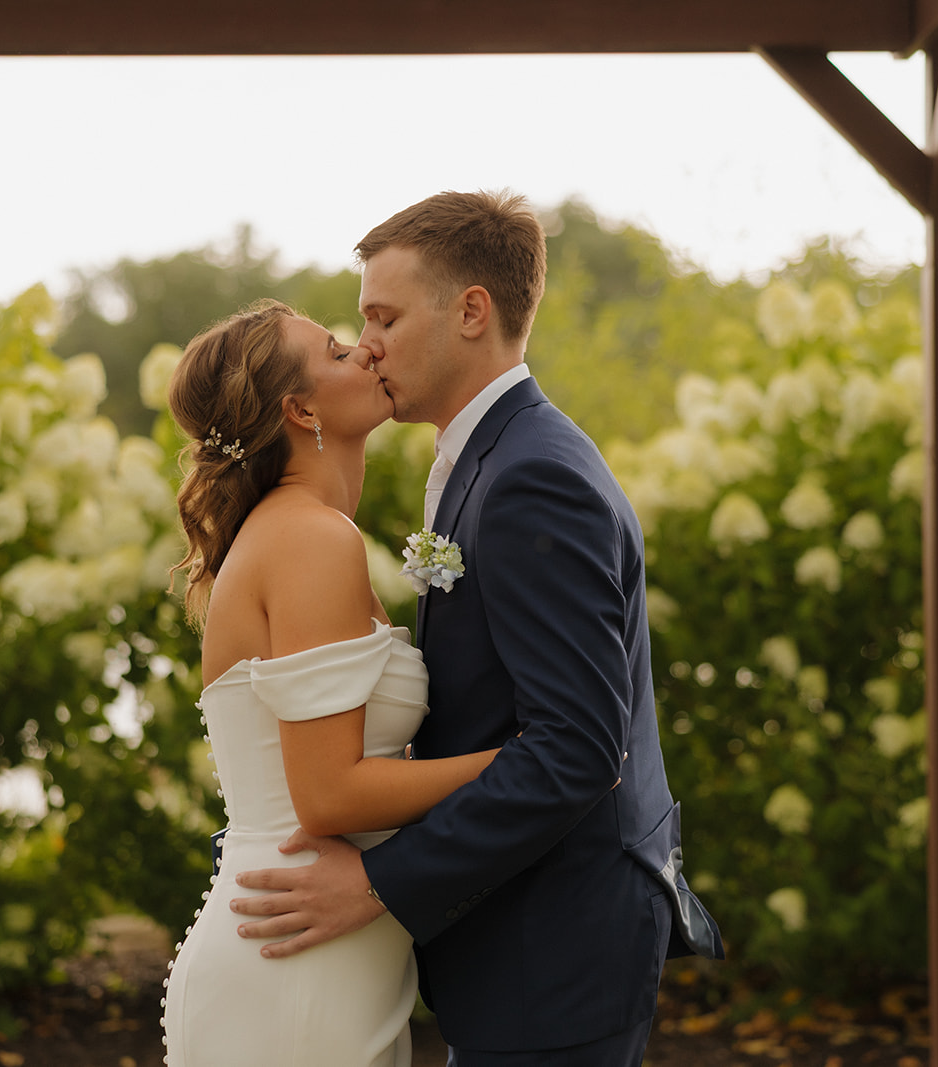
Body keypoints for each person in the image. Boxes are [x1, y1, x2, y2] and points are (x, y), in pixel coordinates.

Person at [229, 191, 723, 1066]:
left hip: (557, 939)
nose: (368, 342)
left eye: (383, 315)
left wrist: (381, 882)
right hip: (518, 929)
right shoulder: (488, 457)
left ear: (470, 311)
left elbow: (576, 750)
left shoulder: (534, 476)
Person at [159, 298, 508, 1066]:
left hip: (321, 937)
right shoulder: (310, 538)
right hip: (295, 953)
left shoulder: (304, 530)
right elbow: (329, 795)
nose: (370, 354)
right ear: (299, 406)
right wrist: (517, 764)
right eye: (341, 350)